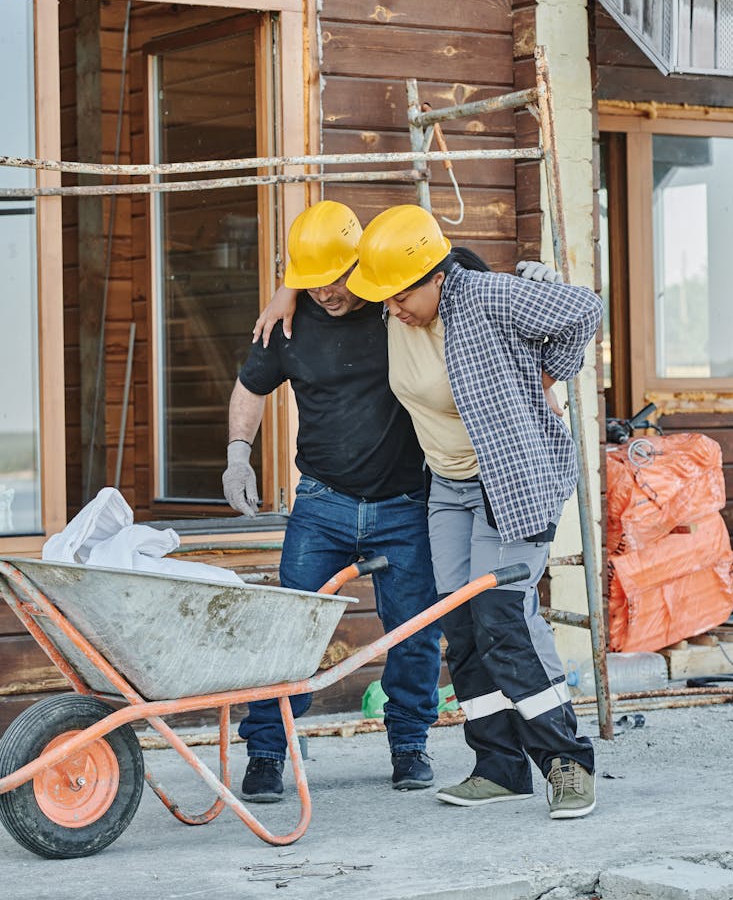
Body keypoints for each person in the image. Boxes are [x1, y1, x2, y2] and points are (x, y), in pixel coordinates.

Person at [346, 204, 603, 818]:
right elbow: (325, 276)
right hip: (450, 486)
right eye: (383, 297)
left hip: (511, 479)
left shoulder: (488, 297)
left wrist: (545, 373)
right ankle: (498, 766)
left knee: (502, 618)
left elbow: (584, 310)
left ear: (435, 274)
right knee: (459, 624)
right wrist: (282, 295)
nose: (391, 308)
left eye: (400, 294)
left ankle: (566, 762)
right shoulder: (395, 317)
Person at [223, 201, 441, 803]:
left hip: (403, 503)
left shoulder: (394, 307)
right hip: (320, 504)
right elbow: (249, 388)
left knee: (414, 632)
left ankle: (409, 743)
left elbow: (448, 263)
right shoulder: (289, 321)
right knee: (290, 630)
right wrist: (239, 451)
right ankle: (269, 751)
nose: (327, 293)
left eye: (337, 278)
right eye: (312, 282)